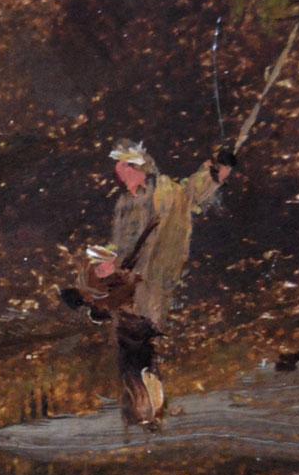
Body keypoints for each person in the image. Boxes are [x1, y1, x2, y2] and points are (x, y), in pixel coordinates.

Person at [68, 140, 231, 427]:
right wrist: (104, 264)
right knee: (131, 347)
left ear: (138, 167)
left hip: (153, 282)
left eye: (124, 168)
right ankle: (145, 412)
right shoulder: (124, 203)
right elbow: (120, 246)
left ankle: (145, 411)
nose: (121, 175)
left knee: (137, 341)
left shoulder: (167, 193)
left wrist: (220, 168)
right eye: (119, 170)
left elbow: (196, 190)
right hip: (126, 285)